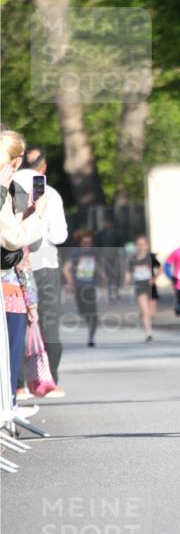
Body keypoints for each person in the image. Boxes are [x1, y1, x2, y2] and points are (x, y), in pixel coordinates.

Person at [14, 146, 68, 396]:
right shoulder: (50, 192)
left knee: (17, 322)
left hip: (13, 260)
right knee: (49, 322)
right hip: (43, 260)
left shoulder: (11, 184)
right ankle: (48, 381)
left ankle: (18, 384)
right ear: (44, 166)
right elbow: (59, 236)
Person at [0, 130, 45, 407]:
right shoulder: (7, 190)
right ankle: (8, 407)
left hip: (13, 284)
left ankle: (9, 407)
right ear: (16, 161)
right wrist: (37, 215)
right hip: (10, 286)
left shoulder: (13, 190)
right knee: (11, 352)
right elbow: (16, 243)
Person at [63, 229, 102, 347]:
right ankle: (91, 322)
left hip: (90, 286)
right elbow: (65, 268)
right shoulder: (75, 253)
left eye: (89, 243)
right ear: (80, 243)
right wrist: (70, 282)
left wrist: (103, 276)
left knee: (92, 311)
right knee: (83, 311)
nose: (87, 245)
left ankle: (91, 334)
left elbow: (98, 265)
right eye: (85, 243)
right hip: (79, 286)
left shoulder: (94, 252)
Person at [125, 236, 161, 342]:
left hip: (151, 285)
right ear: (136, 246)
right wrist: (126, 282)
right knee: (146, 311)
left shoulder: (151, 257)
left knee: (152, 312)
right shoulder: (133, 260)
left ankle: (143, 315)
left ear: (147, 246)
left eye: (143, 244)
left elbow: (160, 267)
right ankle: (148, 333)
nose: (141, 247)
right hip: (140, 286)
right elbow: (129, 273)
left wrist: (155, 278)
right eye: (139, 245)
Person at [95, 214, 124, 302]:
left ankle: (117, 292)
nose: (107, 224)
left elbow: (120, 245)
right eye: (106, 222)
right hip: (105, 257)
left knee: (116, 275)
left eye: (108, 222)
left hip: (115, 257)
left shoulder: (117, 233)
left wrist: (121, 254)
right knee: (107, 276)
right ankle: (109, 294)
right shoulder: (101, 234)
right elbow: (97, 245)